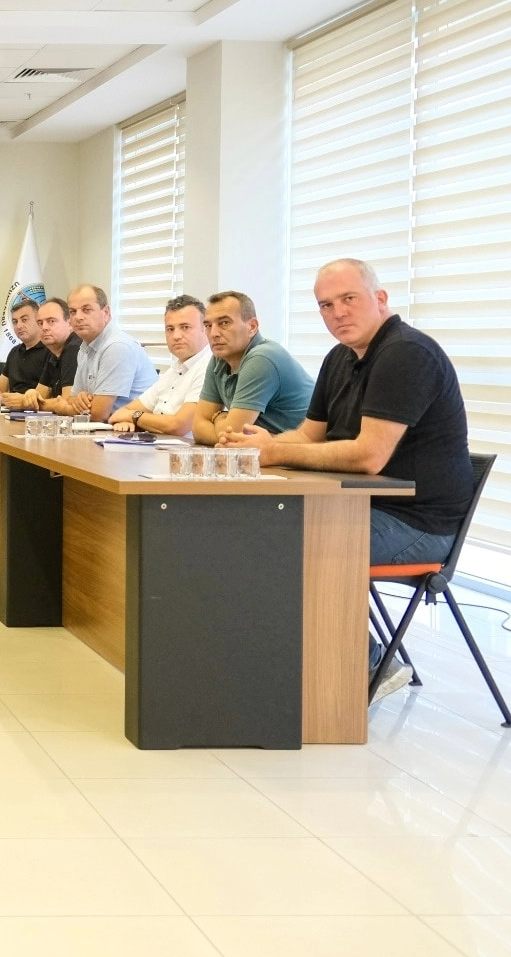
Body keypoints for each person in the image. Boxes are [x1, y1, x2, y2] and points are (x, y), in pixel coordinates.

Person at [220, 258, 474, 702]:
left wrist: (276, 452)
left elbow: (369, 456)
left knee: (285, 543)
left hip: (419, 524)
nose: (337, 312)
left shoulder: (406, 354)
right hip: (362, 507)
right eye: (325, 305)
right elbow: (308, 436)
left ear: (380, 299)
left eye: (348, 299)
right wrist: (255, 445)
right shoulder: (339, 357)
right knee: (249, 526)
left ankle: (371, 665)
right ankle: (277, 667)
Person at [191, 290, 313, 446]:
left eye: (224, 323)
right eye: (208, 325)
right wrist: (227, 428)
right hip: (268, 451)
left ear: (252, 326)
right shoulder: (219, 359)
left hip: (301, 453)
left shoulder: (262, 358)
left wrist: (218, 417)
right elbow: (198, 429)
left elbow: (233, 436)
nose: (213, 333)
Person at [43, 284, 157, 421]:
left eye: (86, 310)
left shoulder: (117, 346)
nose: (78, 317)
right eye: (73, 312)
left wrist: (61, 408)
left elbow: (98, 414)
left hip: (136, 429)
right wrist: (79, 399)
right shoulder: (84, 347)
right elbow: (72, 399)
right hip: (108, 427)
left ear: (106, 313)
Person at [109, 295, 210, 437]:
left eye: (185, 327)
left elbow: (178, 426)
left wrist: (134, 417)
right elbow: (121, 413)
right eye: (170, 329)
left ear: (205, 329)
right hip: (154, 444)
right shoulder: (175, 369)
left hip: (183, 449)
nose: (176, 336)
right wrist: (128, 419)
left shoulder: (209, 367)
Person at [3, 297, 79, 410]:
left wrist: (25, 402)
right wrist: (30, 395)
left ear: (70, 323)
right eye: (40, 323)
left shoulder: (74, 348)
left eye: (51, 321)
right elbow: (40, 395)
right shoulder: (54, 353)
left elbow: (67, 403)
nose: (44, 328)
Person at [0, 297, 49, 396]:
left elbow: (43, 395)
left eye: (24, 320)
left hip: (34, 403)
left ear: (39, 321)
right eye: (15, 322)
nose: (19, 326)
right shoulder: (14, 351)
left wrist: (12, 399)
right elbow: (0, 389)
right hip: (10, 403)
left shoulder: (50, 351)